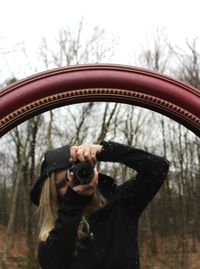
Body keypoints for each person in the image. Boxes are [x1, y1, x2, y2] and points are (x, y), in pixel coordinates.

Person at [30, 141, 169, 269]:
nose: (71, 183)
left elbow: (158, 167)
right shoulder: (54, 236)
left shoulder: (121, 204)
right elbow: (53, 264)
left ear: (88, 170)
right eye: (61, 184)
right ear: (53, 193)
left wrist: (104, 150)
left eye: (72, 174)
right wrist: (73, 203)